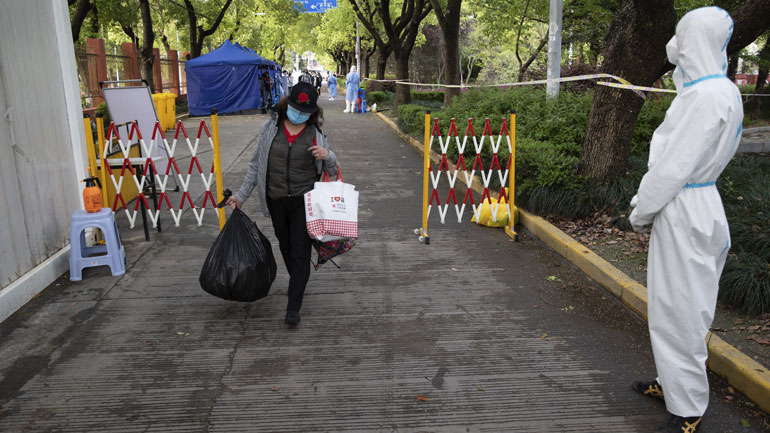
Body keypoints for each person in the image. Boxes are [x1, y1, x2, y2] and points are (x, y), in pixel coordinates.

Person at [628, 7, 743, 433]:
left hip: (683, 207)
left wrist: (641, 212)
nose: (674, 44)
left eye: (681, 34)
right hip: (702, 203)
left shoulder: (703, 98)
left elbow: (671, 169)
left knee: (679, 309)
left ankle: (689, 408)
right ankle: (673, 384)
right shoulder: (721, 90)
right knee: (683, 303)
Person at [227, 82, 339, 326]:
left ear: (312, 112)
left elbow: (333, 167)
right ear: (287, 104)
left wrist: (327, 155)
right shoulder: (270, 129)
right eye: (296, 108)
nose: (299, 114)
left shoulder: (316, 134)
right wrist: (241, 196)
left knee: (300, 251)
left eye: (305, 111)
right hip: (276, 199)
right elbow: (256, 167)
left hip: (304, 201)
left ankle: (293, 305)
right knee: (286, 247)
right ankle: (297, 281)